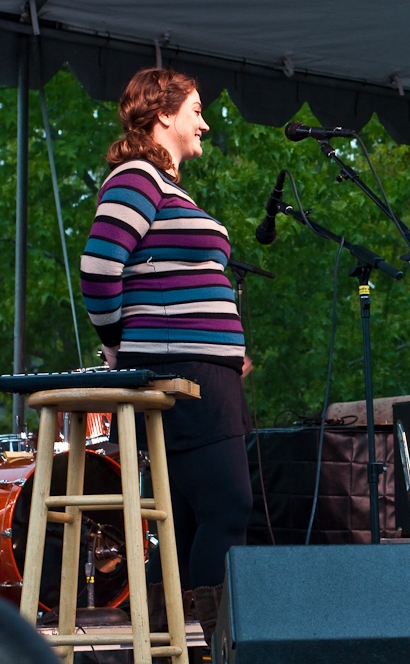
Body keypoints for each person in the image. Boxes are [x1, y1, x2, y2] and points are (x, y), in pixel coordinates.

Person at [79, 67, 253, 644]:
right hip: (186, 373)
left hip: (205, 369)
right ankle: (212, 644)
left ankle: (161, 638)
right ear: (163, 113)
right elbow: (101, 269)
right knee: (228, 507)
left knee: (186, 518)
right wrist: (117, 350)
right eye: (196, 109)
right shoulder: (136, 178)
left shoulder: (166, 186)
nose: (203, 122)